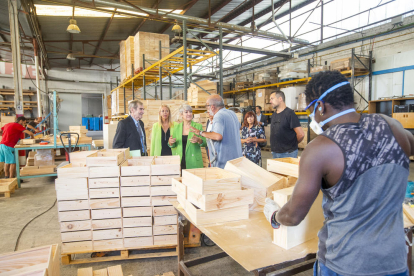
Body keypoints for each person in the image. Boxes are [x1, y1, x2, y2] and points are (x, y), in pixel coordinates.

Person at [264, 70, 414, 276]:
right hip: (394, 262)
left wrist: (275, 216)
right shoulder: (392, 126)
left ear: (320, 106)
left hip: (344, 263)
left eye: (311, 109)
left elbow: (293, 215)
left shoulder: (320, 149)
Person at [190, 95, 242, 169]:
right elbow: (239, 127)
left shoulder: (218, 115)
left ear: (212, 107)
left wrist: (200, 133)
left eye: (207, 106)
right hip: (236, 160)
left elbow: (218, 136)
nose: (207, 109)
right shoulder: (232, 113)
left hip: (223, 163)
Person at [168, 104, 206, 169]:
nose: (189, 114)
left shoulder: (198, 126)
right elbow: (172, 145)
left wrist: (199, 140)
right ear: (181, 114)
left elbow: (205, 143)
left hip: (193, 161)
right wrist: (170, 142)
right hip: (180, 161)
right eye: (186, 112)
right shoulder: (176, 127)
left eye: (190, 112)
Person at [269, 91, 304, 158]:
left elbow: (301, 134)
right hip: (275, 153)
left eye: (272, 99)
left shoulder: (290, 114)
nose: (270, 101)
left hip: (288, 153)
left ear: (280, 99)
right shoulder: (274, 115)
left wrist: (291, 145)